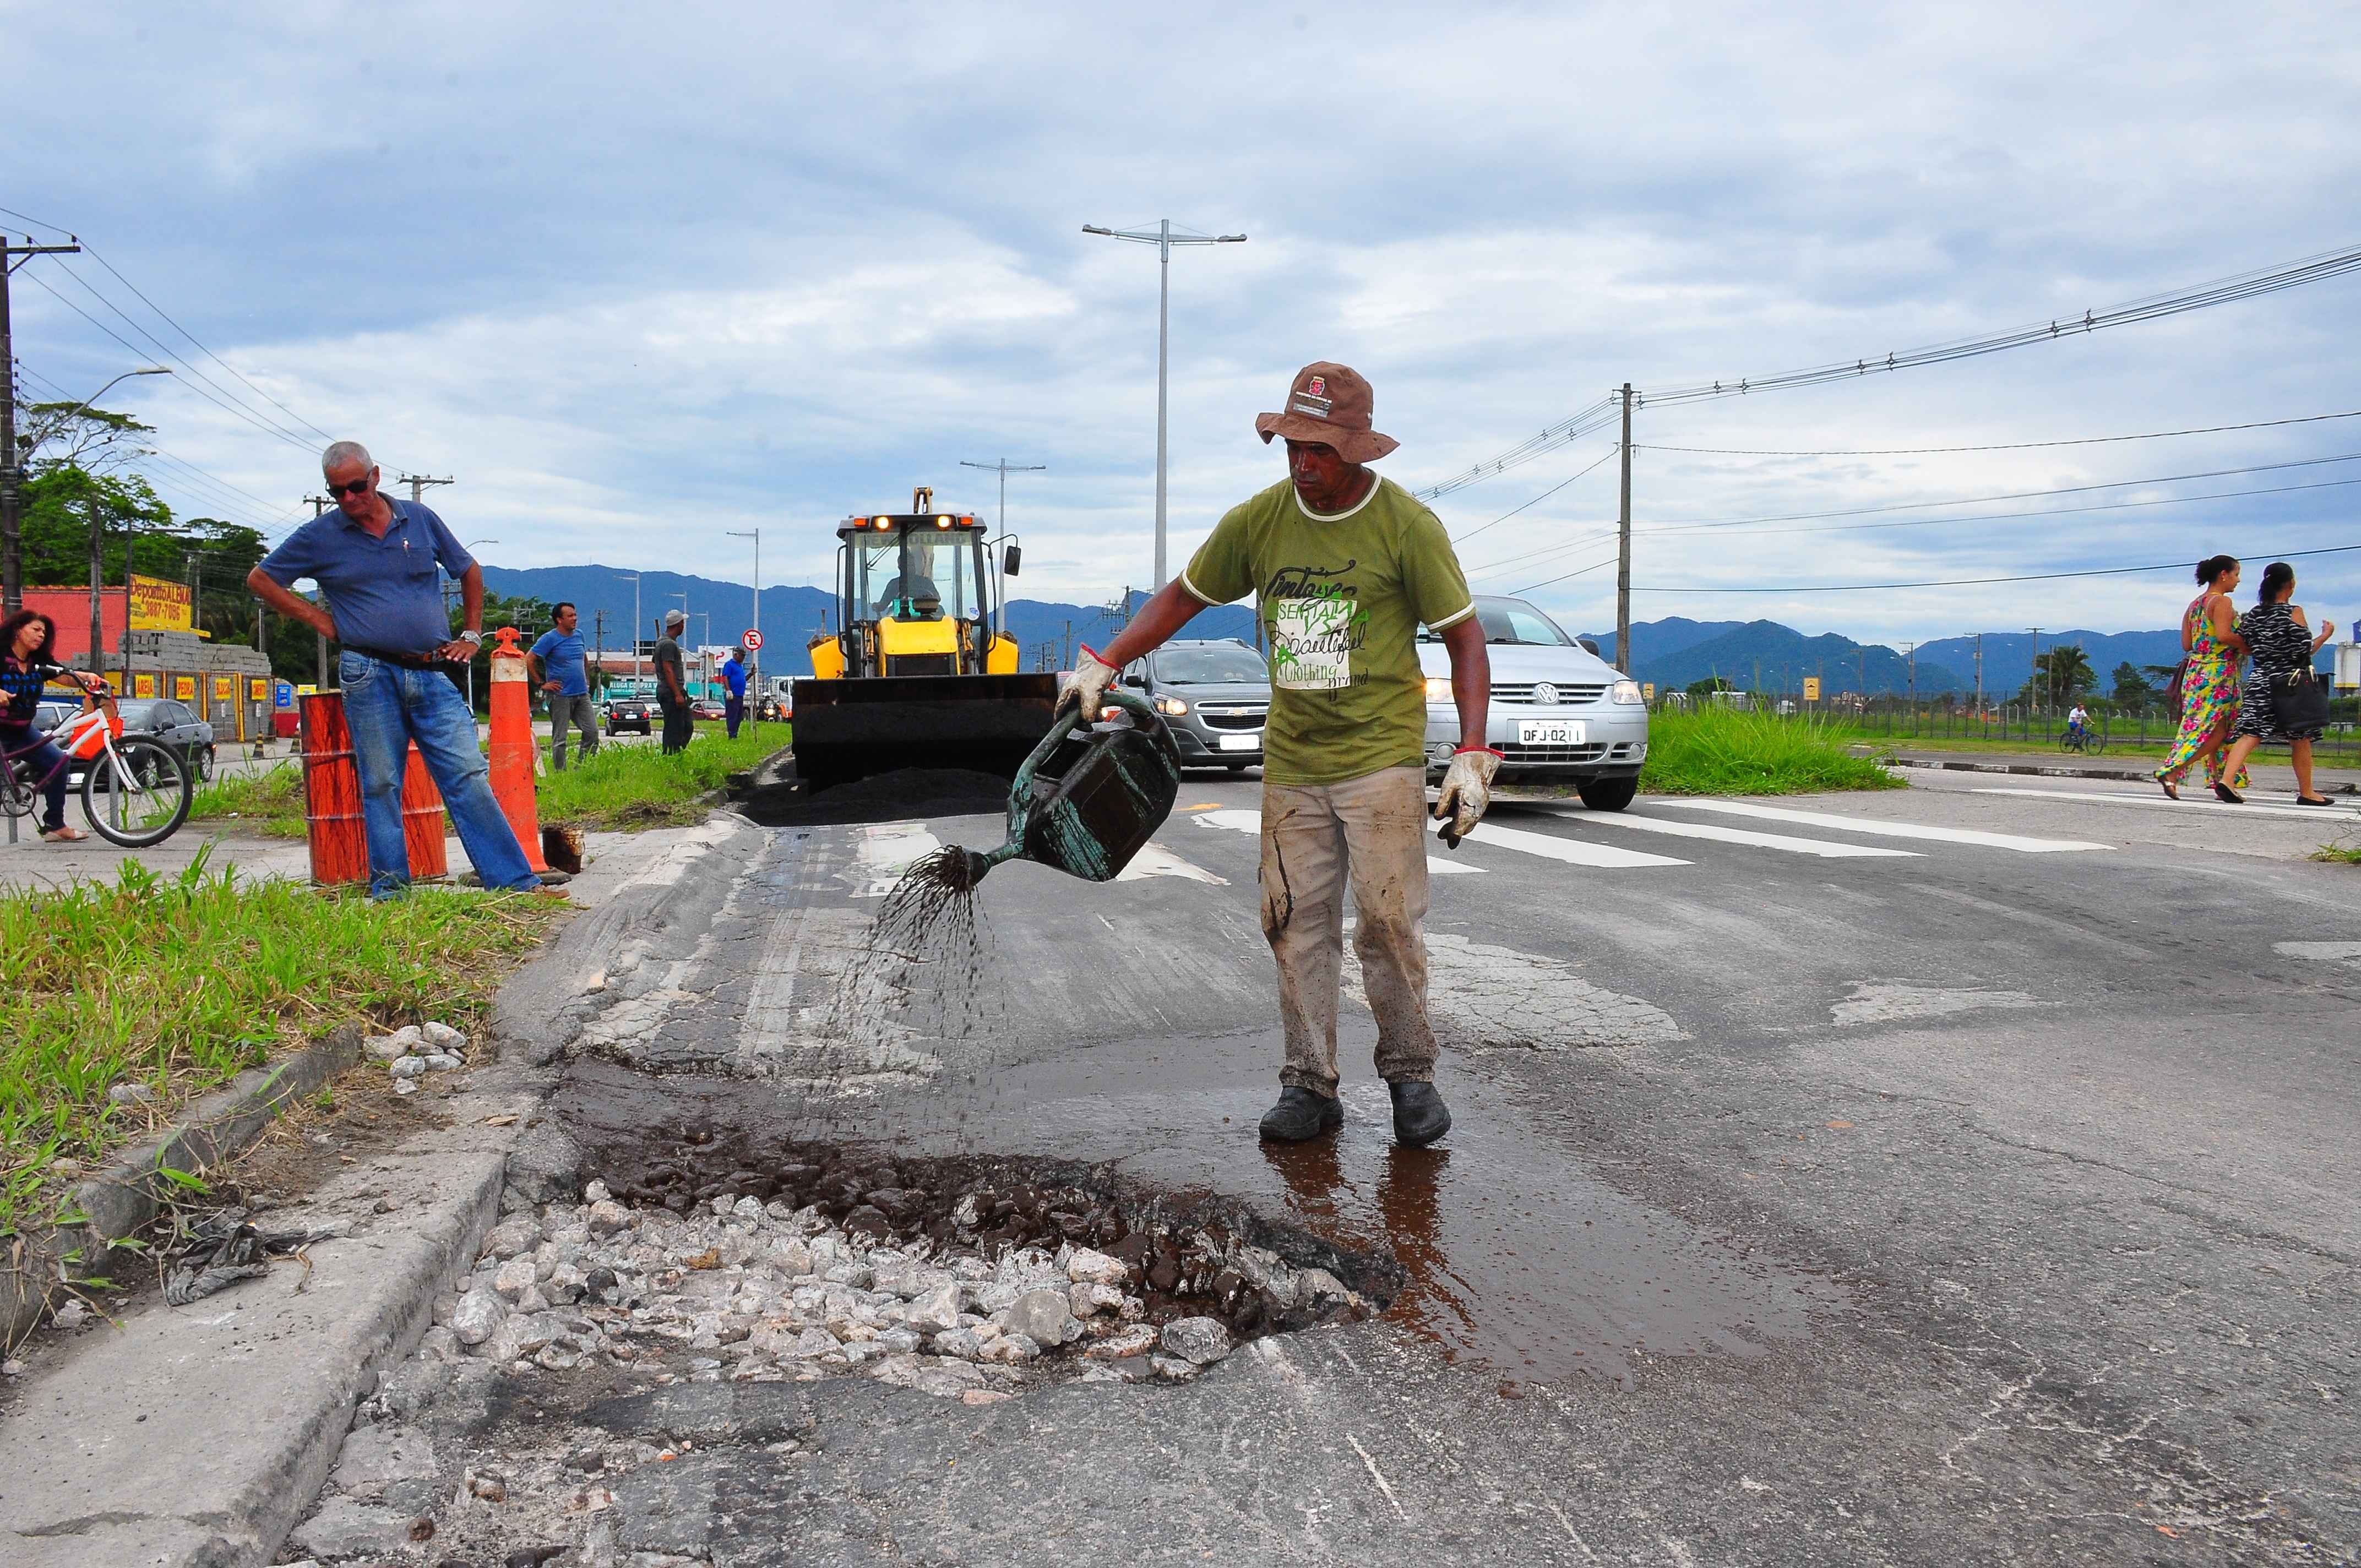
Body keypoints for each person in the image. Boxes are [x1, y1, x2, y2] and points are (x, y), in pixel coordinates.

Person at [1057, 362, 1495, 1148]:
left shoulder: (1406, 526)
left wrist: (1470, 752)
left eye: (1321, 449)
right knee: (1293, 922)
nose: (1304, 462)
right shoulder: (1259, 522)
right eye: (1293, 444)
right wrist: (1107, 659)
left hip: (1381, 755)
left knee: (1389, 922)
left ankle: (1409, 1075)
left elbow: (1465, 638)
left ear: (1358, 451)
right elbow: (1181, 599)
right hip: (1294, 760)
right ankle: (1310, 1084)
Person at [247, 441, 549, 900]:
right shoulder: (321, 535)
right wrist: (319, 620)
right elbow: (261, 579)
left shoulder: (419, 519)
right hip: (368, 672)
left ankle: (514, 882)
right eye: (337, 492)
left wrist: (470, 635)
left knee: (466, 774)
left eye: (355, 486)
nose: (349, 499)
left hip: (432, 670)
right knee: (382, 782)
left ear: (376, 476)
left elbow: (468, 570)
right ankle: (390, 893)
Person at [2216, 561, 2338, 805]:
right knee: (2300, 737)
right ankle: (2307, 792)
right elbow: (2304, 650)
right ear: (2290, 585)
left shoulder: (2254, 614)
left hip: (2261, 679)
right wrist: (2325, 636)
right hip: (2291, 682)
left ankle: (2227, 780)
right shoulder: (2294, 612)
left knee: (2251, 733)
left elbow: (2246, 644)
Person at [0, 609, 104, 842]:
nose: (41, 636)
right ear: (18, 630)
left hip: (22, 731)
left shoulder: (38, 661)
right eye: (36, 630)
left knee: (59, 762)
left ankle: (55, 826)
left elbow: (63, 676)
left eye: (44, 633)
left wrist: (86, 677)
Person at [2154, 556, 2250, 802]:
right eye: (2236, 574)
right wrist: (2250, 645)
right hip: (2219, 673)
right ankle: (2172, 772)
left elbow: (2187, 644)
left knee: (2202, 728)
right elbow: (2225, 635)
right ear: (2223, 574)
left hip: (2196, 671)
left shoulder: (2194, 605)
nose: (2238, 580)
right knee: (2222, 732)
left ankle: (2219, 782)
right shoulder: (2222, 602)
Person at [528, 602, 598, 771]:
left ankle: (581, 769)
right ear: (559, 620)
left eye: (575, 615)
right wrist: (542, 684)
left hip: (581, 694)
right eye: (570, 616)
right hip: (560, 695)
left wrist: (587, 681)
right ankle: (561, 773)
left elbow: (584, 658)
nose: (575, 618)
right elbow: (529, 659)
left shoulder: (579, 635)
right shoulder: (549, 639)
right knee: (561, 738)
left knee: (592, 733)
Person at [653, 609, 692, 754]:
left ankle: (676, 753)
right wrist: (677, 694)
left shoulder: (663, 642)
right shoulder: (668, 644)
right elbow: (668, 669)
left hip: (673, 690)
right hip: (670, 691)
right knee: (674, 728)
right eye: (683, 623)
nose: (684, 626)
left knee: (686, 726)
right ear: (679, 624)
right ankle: (670, 756)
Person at [722, 646, 749, 738]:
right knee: (732, 716)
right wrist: (728, 690)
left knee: (738, 716)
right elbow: (725, 677)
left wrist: (751, 674)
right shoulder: (729, 665)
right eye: (742, 656)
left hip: (740, 695)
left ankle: (735, 733)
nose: (743, 658)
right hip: (733, 695)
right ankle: (732, 735)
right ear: (736, 655)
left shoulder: (740, 667)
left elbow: (743, 680)